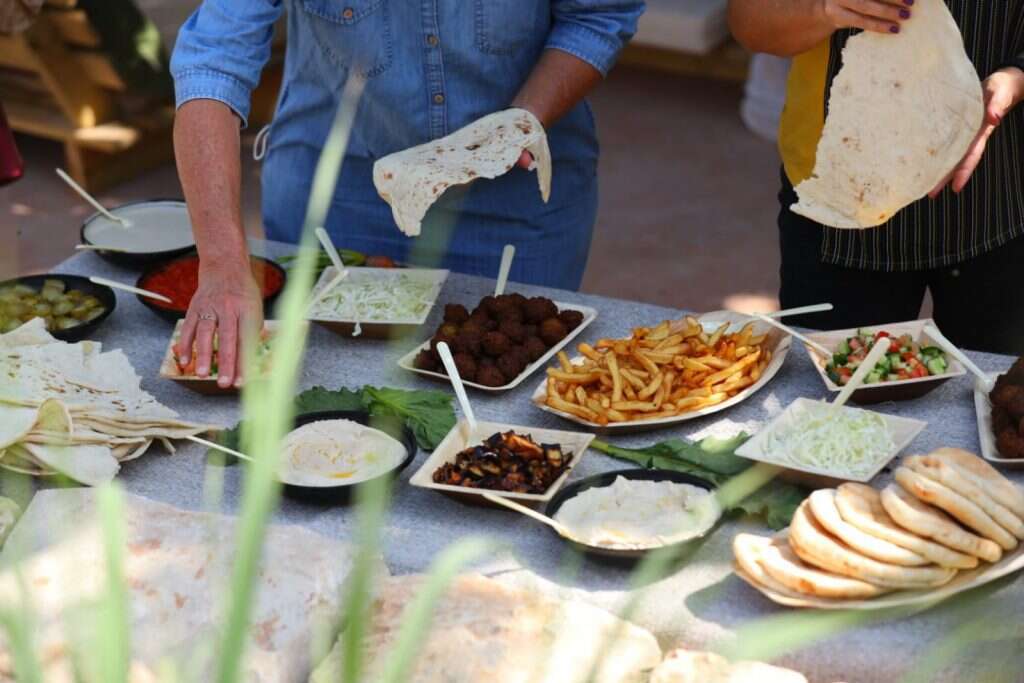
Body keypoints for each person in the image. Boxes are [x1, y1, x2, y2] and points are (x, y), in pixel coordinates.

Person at [170, 1, 644, 387]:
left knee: (505, 406)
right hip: (336, 202)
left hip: (513, 208)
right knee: (322, 406)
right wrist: (223, 264)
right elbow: (212, 61)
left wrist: (511, 129)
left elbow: (597, 14)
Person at [727, 0, 1024, 355]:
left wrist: (1016, 77)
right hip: (838, 203)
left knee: (996, 397)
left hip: (1002, 194)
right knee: (833, 399)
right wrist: (823, 10)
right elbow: (750, 23)